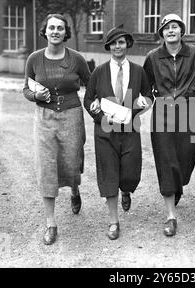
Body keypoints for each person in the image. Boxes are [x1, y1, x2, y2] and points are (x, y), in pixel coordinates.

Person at [143, 14, 195, 237]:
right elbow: (145, 86)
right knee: (166, 161)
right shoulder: (153, 57)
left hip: (188, 109)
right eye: (166, 28)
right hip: (163, 110)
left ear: (181, 31)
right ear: (161, 33)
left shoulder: (194, 53)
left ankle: (178, 184)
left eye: (175, 27)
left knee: (187, 157)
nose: (171, 31)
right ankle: (170, 216)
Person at [23, 13, 91, 245]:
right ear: (45, 31)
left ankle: (74, 189)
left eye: (60, 28)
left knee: (72, 162)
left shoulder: (77, 59)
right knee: (46, 166)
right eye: (51, 27)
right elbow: (26, 89)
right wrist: (35, 95)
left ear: (65, 33)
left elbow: (91, 85)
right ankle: (51, 223)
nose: (55, 31)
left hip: (72, 115)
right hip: (44, 118)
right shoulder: (34, 59)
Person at [83, 25, 153, 240]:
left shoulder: (139, 71)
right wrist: (98, 114)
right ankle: (113, 221)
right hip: (106, 132)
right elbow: (88, 99)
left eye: (121, 42)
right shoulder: (99, 72)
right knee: (109, 174)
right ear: (108, 46)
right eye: (113, 43)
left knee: (130, 172)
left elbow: (148, 96)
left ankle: (127, 189)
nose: (117, 46)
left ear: (127, 45)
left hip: (130, 130)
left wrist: (140, 107)